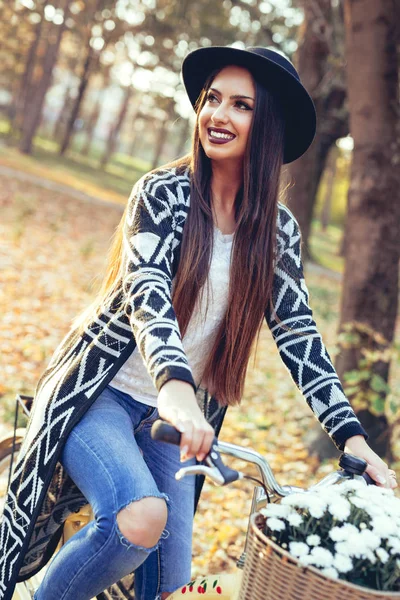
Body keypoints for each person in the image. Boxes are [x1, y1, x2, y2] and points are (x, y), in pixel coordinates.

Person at [0, 46, 397, 600]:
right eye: (212, 99)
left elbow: (300, 335)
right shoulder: (161, 194)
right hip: (99, 396)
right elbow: (148, 297)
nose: (218, 115)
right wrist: (177, 392)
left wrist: (352, 437)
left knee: (174, 588)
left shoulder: (276, 232)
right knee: (139, 517)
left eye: (241, 105)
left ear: (269, 128)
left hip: (174, 425)